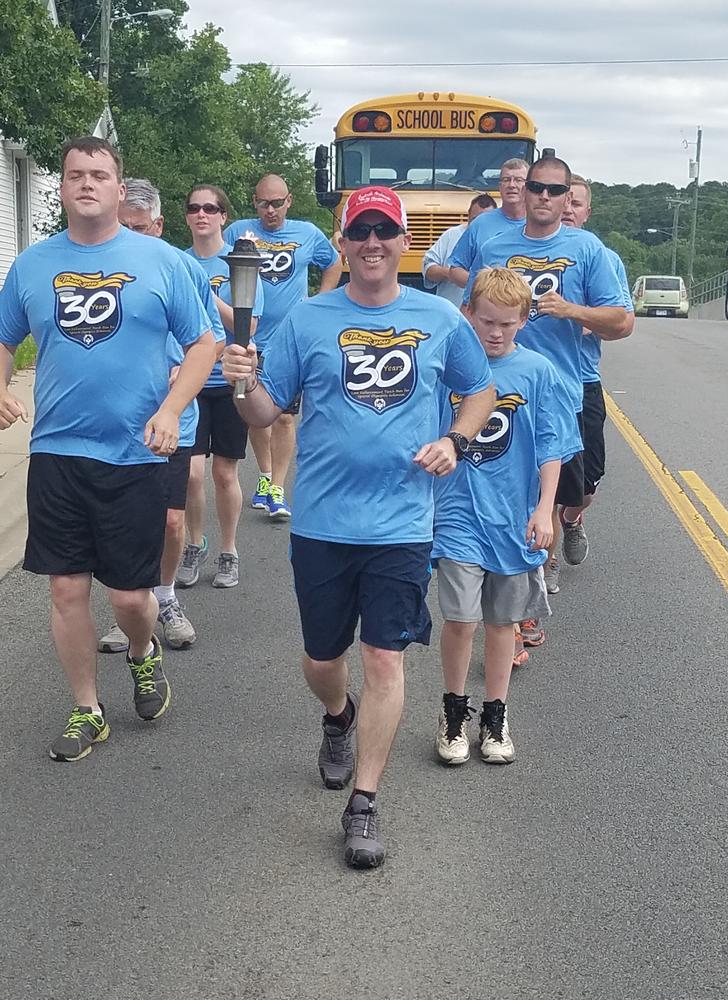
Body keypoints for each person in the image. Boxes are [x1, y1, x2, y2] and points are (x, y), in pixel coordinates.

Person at [222, 185, 496, 869]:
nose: (372, 243)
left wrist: (457, 441)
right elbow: (264, 412)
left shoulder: (437, 317)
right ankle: (338, 716)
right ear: (341, 243)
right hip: (321, 520)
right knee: (321, 660)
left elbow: (481, 390)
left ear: (404, 243)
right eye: (360, 231)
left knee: (384, 657)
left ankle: (365, 804)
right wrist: (239, 380)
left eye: (385, 230)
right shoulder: (309, 319)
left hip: (403, 523)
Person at [0, 137, 216, 762]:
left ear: (120, 189)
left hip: (136, 452)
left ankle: (143, 654)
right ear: (62, 188)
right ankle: (87, 709)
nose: (86, 183)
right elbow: (4, 336)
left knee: (128, 597)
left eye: (99, 174)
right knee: (66, 590)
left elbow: (202, 344)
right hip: (58, 452)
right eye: (75, 175)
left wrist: (172, 410)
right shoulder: (32, 265)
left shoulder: (160, 261)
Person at [464, 156, 631, 596]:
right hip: (500, 388)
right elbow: (468, 313)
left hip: (565, 390)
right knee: (514, 484)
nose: (543, 195)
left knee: (574, 488)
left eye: (555, 190)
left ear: (566, 198)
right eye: (536, 186)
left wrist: (572, 310)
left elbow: (622, 322)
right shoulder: (495, 246)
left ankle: (564, 527)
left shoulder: (588, 250)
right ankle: (537, 572)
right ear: (523, 189)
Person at [433, 267, 580, 764]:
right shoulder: (448, 366)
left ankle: (496, 715)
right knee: (460, 619)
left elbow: (552, 448)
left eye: (507, 324)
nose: (495, 333)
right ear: (467, 313)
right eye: (486, 321)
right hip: (456, 512)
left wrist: (544, 510)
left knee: (502, 623)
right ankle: (454, 711)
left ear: (523, 322)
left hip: (513, 517)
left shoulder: (538, 372)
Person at [97, 178, 226, 654]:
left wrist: (183, 369)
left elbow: (212, 337)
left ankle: (165, 598)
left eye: (139, 227)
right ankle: (131, 610)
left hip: (175, 419)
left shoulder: (181, 267)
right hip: (118, 420)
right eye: (122, 225)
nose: (129, 234)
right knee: (124, 523)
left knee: (172, 523)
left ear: (158, 224)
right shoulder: (105, 267)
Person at [224, 174, 343, 519]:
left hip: (290, 340)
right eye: (264, 203)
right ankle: (263, 476)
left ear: (289, 201)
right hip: (249, 340)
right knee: (256, 415)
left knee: (286, 418)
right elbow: (220, 268)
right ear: (254, 202)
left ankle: (277, 487)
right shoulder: (238, 232)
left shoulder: (306, 233)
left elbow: (333, 262)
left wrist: (320, 302)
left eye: (277, 203)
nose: (271, 210)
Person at [177, 184, 264, 589]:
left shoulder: (240, 262)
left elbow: (248, 328)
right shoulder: (177, 262)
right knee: (192, 473)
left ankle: (229, 550)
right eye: (194, 208)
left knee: (225, 474)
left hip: (229, 380)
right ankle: (196, 543)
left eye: (210, 208)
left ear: (223, 216)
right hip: (189, 382)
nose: (202, 215)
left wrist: (209, 296)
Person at [557, 174, 635, 562]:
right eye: (562, 199)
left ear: (587, 212)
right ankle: (544, 564)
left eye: (576, 203)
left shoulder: (602, 257)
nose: (567, 208)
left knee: (584, 486)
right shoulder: (523, 248)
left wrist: (582, 315)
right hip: (532, 384)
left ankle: (572, 518)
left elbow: (622, 322)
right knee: (535, 482)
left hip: (582, 379)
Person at [448, 158, 529, 289]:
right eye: (506, 180)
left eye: (519, 180)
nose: (512, 185)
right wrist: (485, 288)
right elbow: (455, 270)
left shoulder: (538, 224)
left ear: (529, 186)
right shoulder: (480, 224)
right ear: (500, 186)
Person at [422, 194, 496, 306]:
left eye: (486, 221)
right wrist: (450, 273)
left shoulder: (501, 241)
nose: (480, 225)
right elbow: (428, 269)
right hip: (450, 314)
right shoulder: (451, 235)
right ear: (468, 215)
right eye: (475, 220)